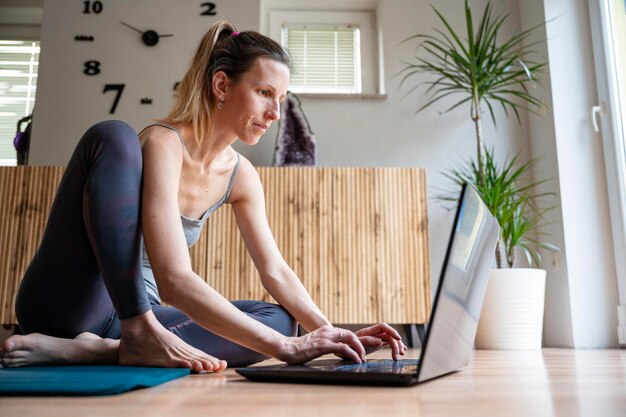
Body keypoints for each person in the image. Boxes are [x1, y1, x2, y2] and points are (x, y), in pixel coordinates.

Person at [0, 21, 406, 372]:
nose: (275, 113)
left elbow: (275, 271)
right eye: (265, 93)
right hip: (75, 302)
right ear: (221, 84)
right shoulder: (163, 144)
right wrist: (285, 351)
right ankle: (133, 335)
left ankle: (102, 352)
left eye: (280, 99)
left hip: (140, 317)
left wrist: (325, 332)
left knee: (280, 320)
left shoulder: (241, 175)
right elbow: (174, 279)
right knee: (113, 134)